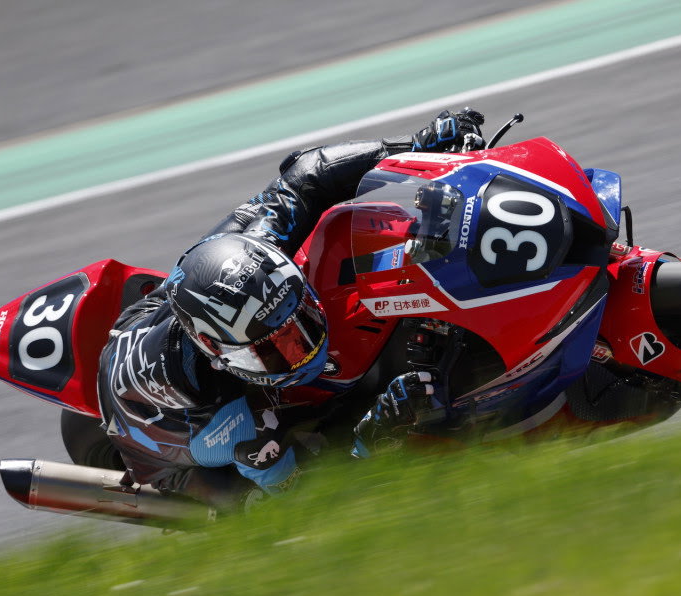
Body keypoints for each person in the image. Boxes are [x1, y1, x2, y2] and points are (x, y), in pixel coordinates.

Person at [62, 109, 487, 509]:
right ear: (221, 353)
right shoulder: (235, 428)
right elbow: (312, 497)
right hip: (173, 438)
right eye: (278, 348)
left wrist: (414, 145)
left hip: (148, 322)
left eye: (299, 319)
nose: (305, 346)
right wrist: (375, 433)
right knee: (262, 499)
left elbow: (305, 175)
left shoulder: (250, 247)